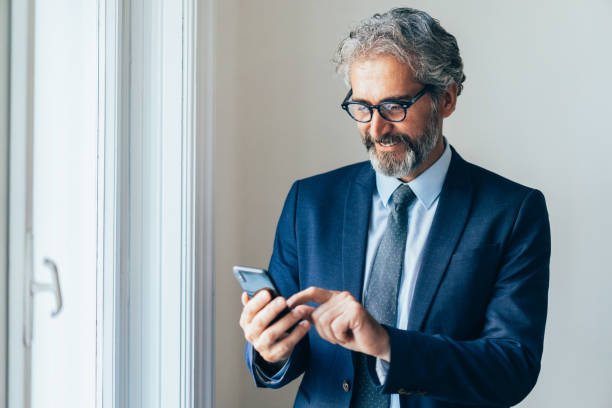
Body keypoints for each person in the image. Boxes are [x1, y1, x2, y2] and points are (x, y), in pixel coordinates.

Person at [238, 7, 550, 408]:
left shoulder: (512, 212)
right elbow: (287, 348)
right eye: (362, 108)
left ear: (447, 98)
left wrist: (387, 344)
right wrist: (270, 350)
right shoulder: (310, 203)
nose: (376, 128)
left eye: (394, 107)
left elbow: (512, 368)